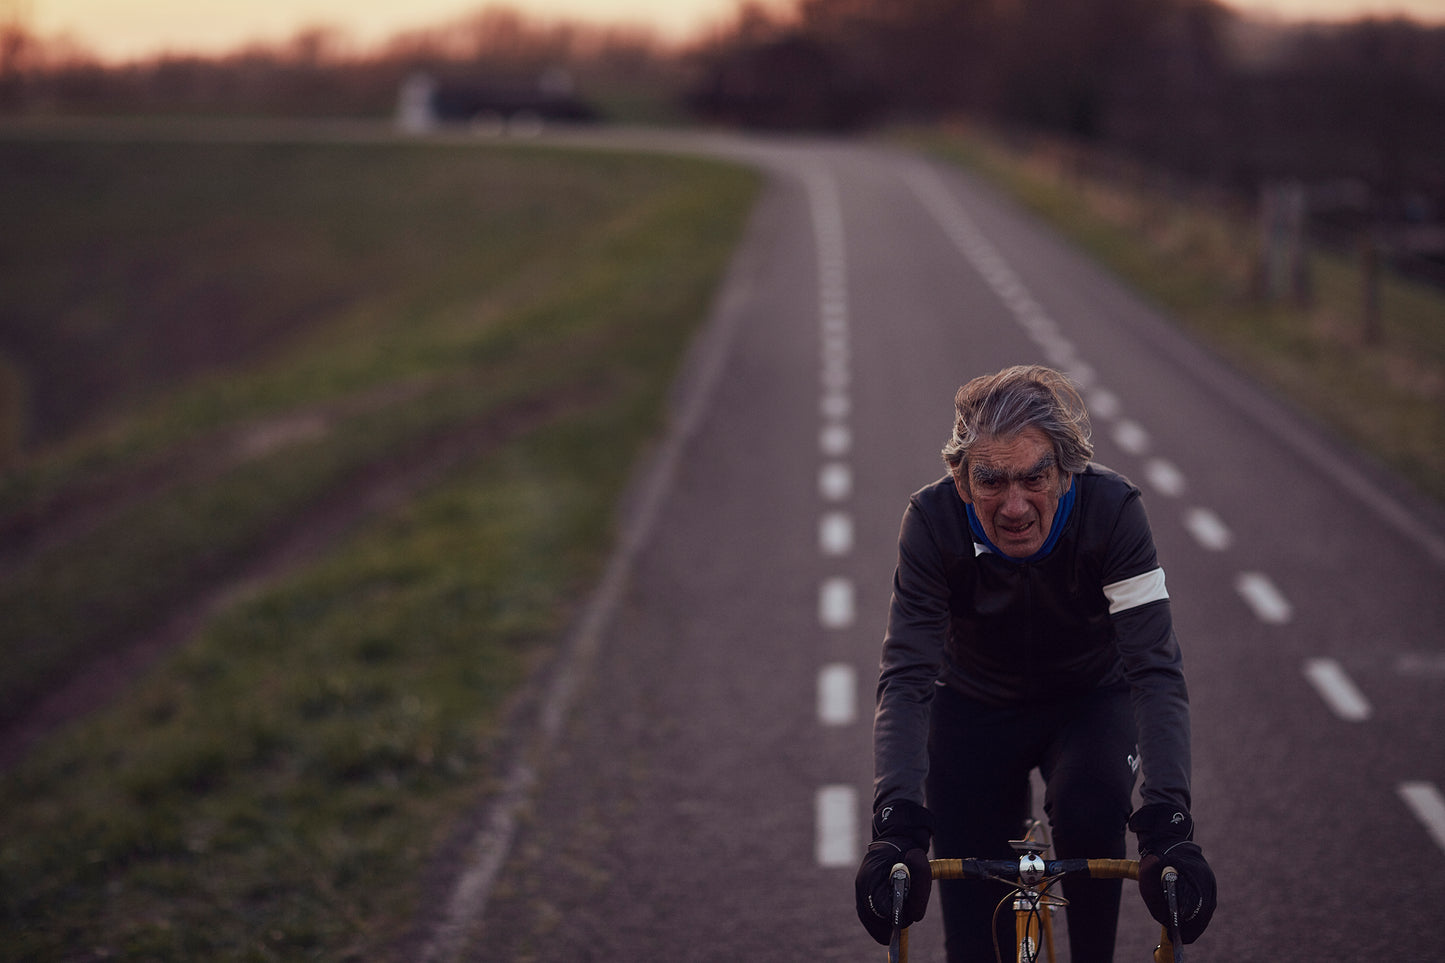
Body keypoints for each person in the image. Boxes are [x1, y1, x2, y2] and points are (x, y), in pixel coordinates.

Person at [854, 365, 1215, 961]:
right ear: (962, 480)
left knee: (1092, 806)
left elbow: (1153, 668)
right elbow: (908, 676)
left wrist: (1170, 821)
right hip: (972, 704)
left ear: (1067, 473)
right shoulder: (931, 522)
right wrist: (894, 821)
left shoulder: (1114, 511)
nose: (1015, 505)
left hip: (1090, 702)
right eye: (991, 479)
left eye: (1035, 477)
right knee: (972, 945)